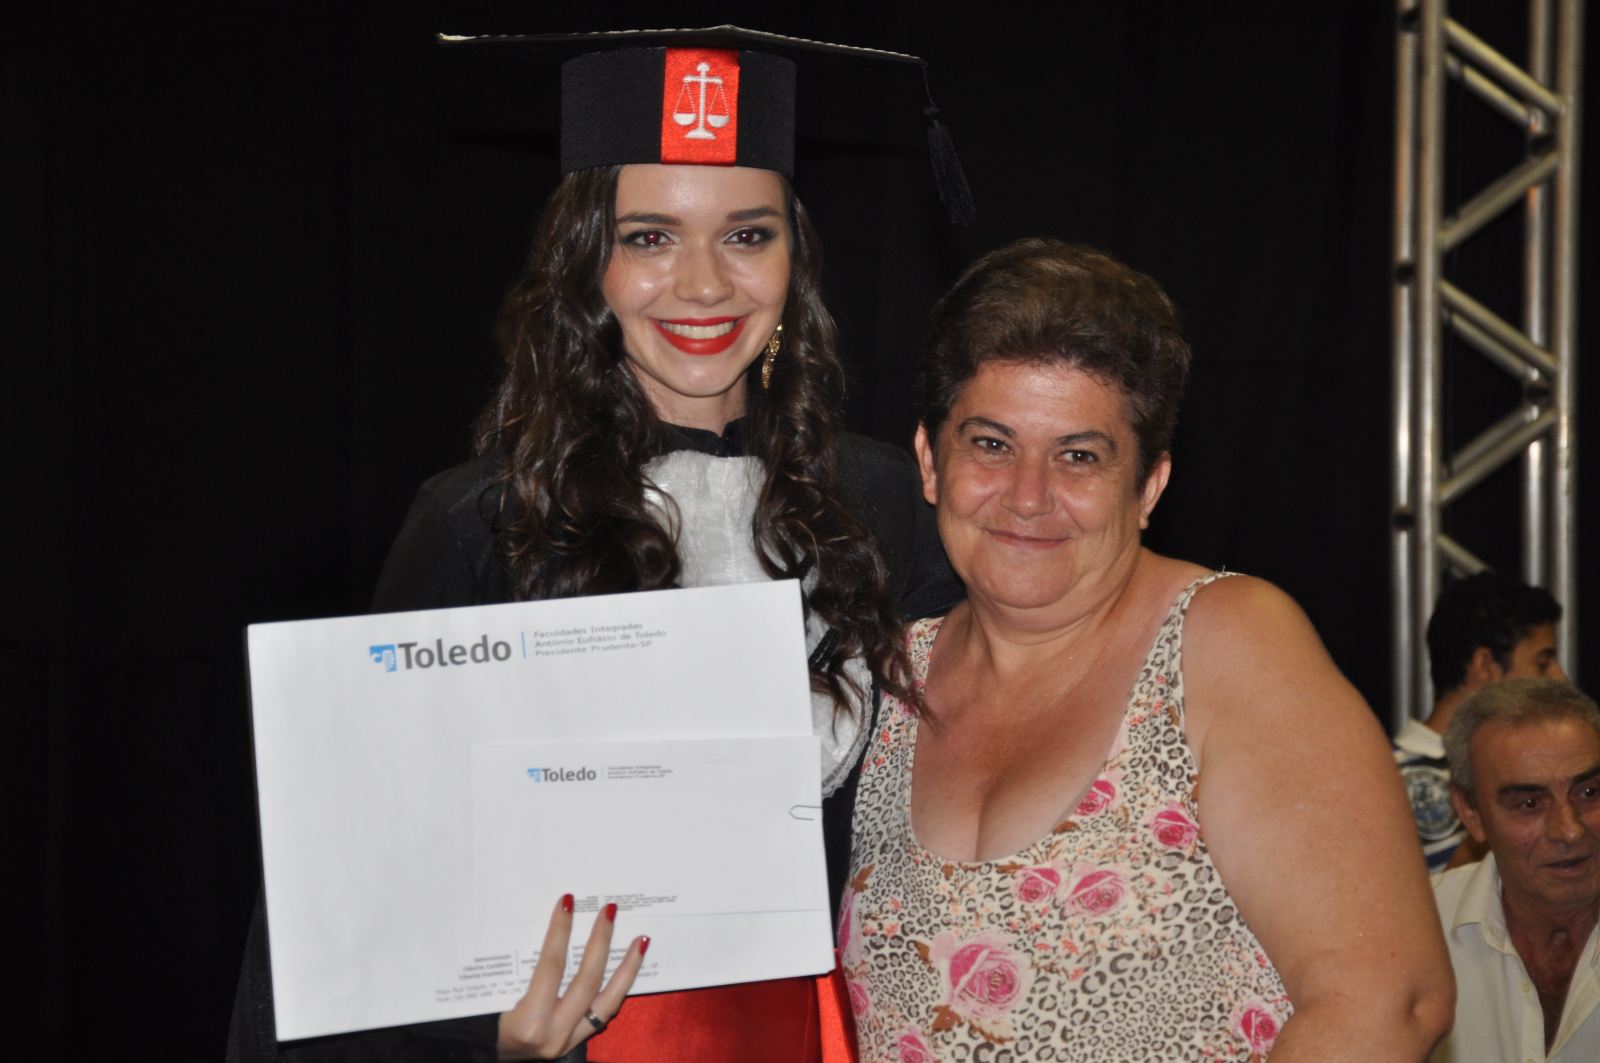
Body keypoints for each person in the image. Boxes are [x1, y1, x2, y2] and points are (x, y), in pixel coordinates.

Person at [227, 28, 961, 1063]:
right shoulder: (485, 519)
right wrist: (482, 1033)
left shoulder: (882, 503)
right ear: (587, 267)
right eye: (650, 237)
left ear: (793, 261)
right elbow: (352, 885)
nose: (703, 284)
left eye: (747, 235)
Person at [839, 239, 1455, 1060]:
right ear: (929, 460)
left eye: (1079, 456)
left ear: (1149, 486)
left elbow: (1389, 998)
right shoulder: (883, 677)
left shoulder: (1224, 644)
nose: (1028, 494)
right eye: (991, 443)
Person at [1431, 677, 1599, 1063]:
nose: (1569, 830)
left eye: (1589, 793)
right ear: (1470, 813)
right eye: (1529, 804)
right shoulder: (1416, 930)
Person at [1395, 572, 1566, 871]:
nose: (1559, 678)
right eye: (1542, 663)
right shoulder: (1390, 779)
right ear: (1486, 665)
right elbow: (1437, 895)